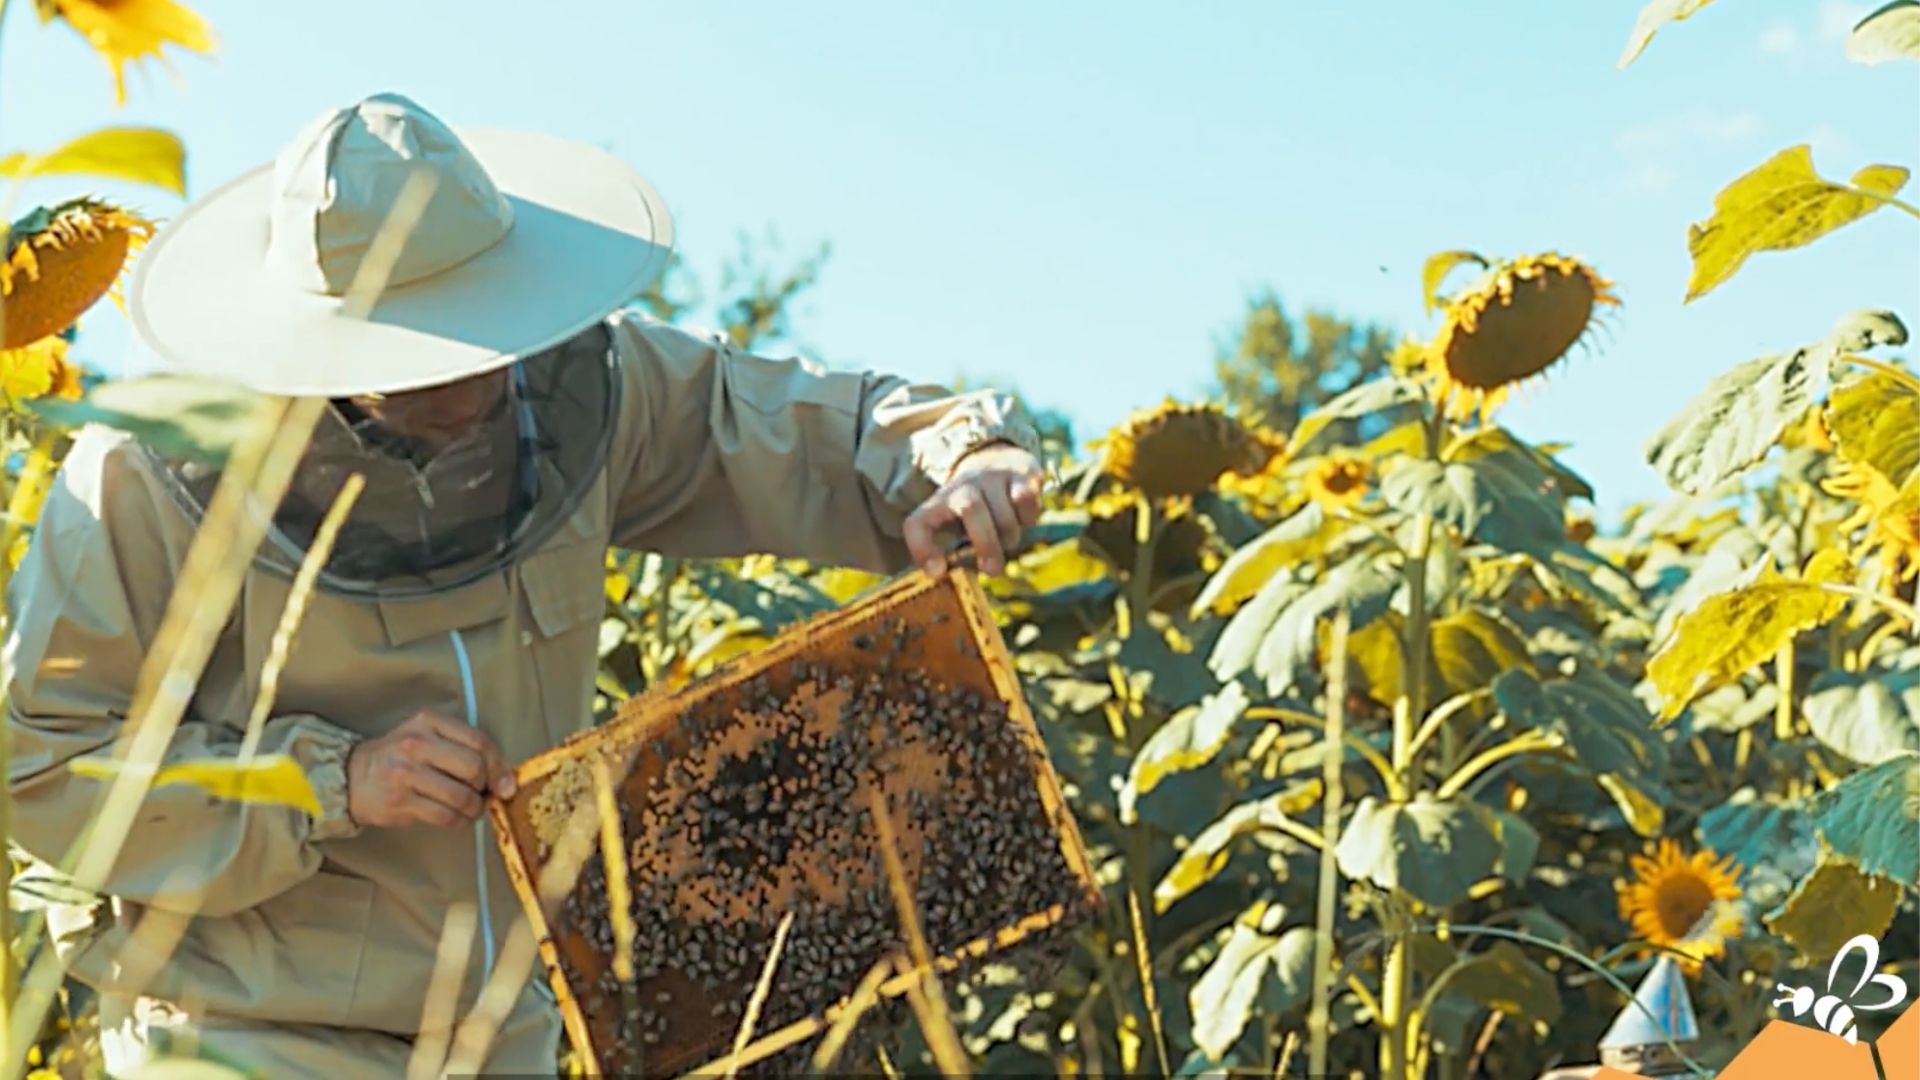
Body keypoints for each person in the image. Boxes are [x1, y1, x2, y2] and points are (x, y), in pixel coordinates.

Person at [4, 92, 1045, 1077]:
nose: (465, 376)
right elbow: (44, 762)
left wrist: (959, 456)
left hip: (500, 1032)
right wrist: (333, 781)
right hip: (240, 1029)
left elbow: (771, 420)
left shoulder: (591, 391)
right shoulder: (143, 471)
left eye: (480, 334)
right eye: (416, 352)